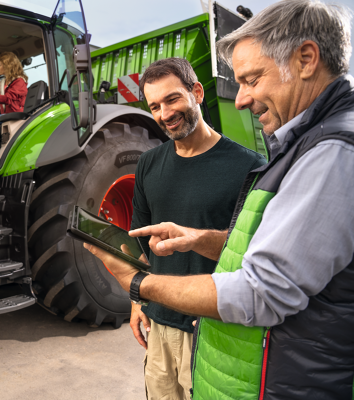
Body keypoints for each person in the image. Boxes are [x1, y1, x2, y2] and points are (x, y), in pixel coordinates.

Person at [85, 1, 354, 399]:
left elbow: (261, 290)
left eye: (251, 79)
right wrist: (151, 287)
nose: (241, 98)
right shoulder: (151, 164)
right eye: (153, 106)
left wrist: (137, 284)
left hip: (218, 330)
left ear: (306, 59)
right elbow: (253, 250)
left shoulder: (286, 158)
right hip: (173, 326)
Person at [129, 58, 265, 400]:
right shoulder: (148, 163)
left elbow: (254, 255)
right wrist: (136, 300)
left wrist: (199, 240)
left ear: (197, 92)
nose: (164, 114)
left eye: (172, 99)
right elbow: (138, 240)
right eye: (155, 106)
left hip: (210, 328)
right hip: (158, 323)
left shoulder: (249, 167)